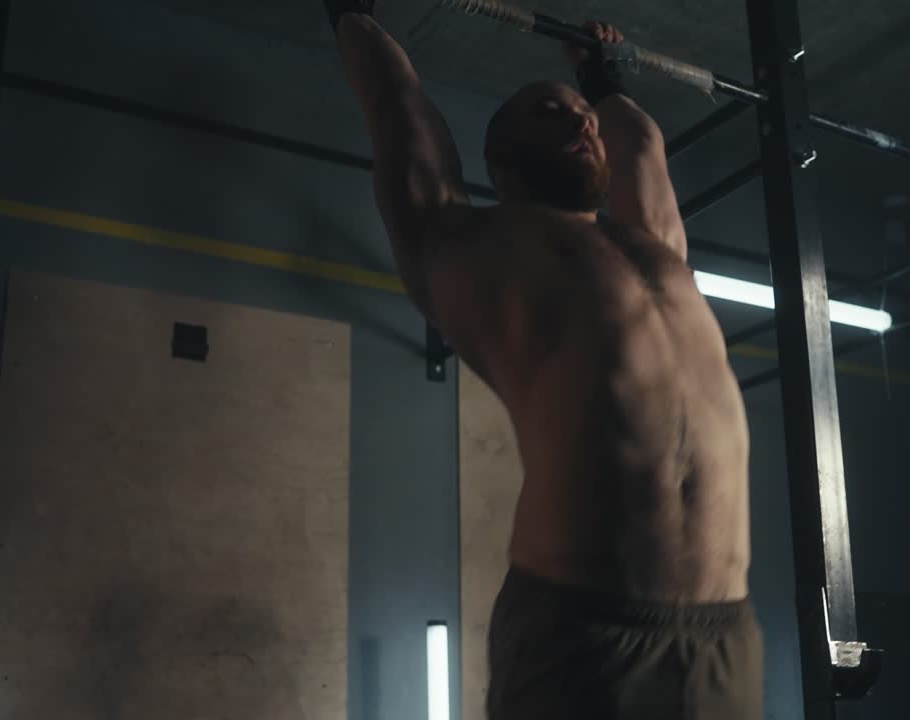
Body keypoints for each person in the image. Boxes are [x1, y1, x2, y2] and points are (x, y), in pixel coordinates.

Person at [323, 2, 762, 717]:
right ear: (500, 160)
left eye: (582, 118)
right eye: (549, 113)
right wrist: (353, 17)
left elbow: (642, 149)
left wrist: (603, 81)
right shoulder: (467, 244)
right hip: (583, 635)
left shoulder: (656, 250)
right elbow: (397, 106)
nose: (580, 124)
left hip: (724, 634)